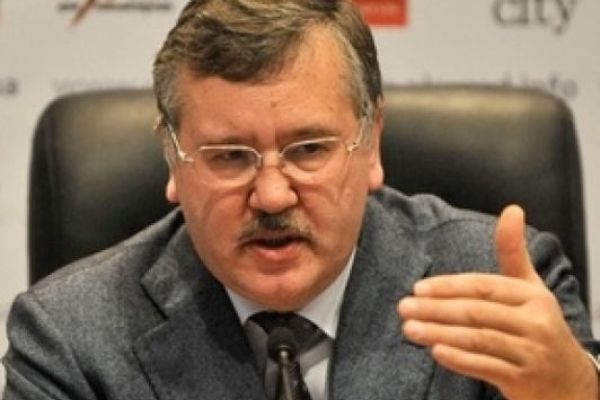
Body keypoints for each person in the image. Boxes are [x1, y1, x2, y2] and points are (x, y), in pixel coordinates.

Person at [2, 0, 599, 399]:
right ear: (172, 157)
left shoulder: (497, 283)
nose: (271, 195)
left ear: (371, 143)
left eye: (309, 149)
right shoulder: (70, 339)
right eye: (229, 156)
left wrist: (573, 392)